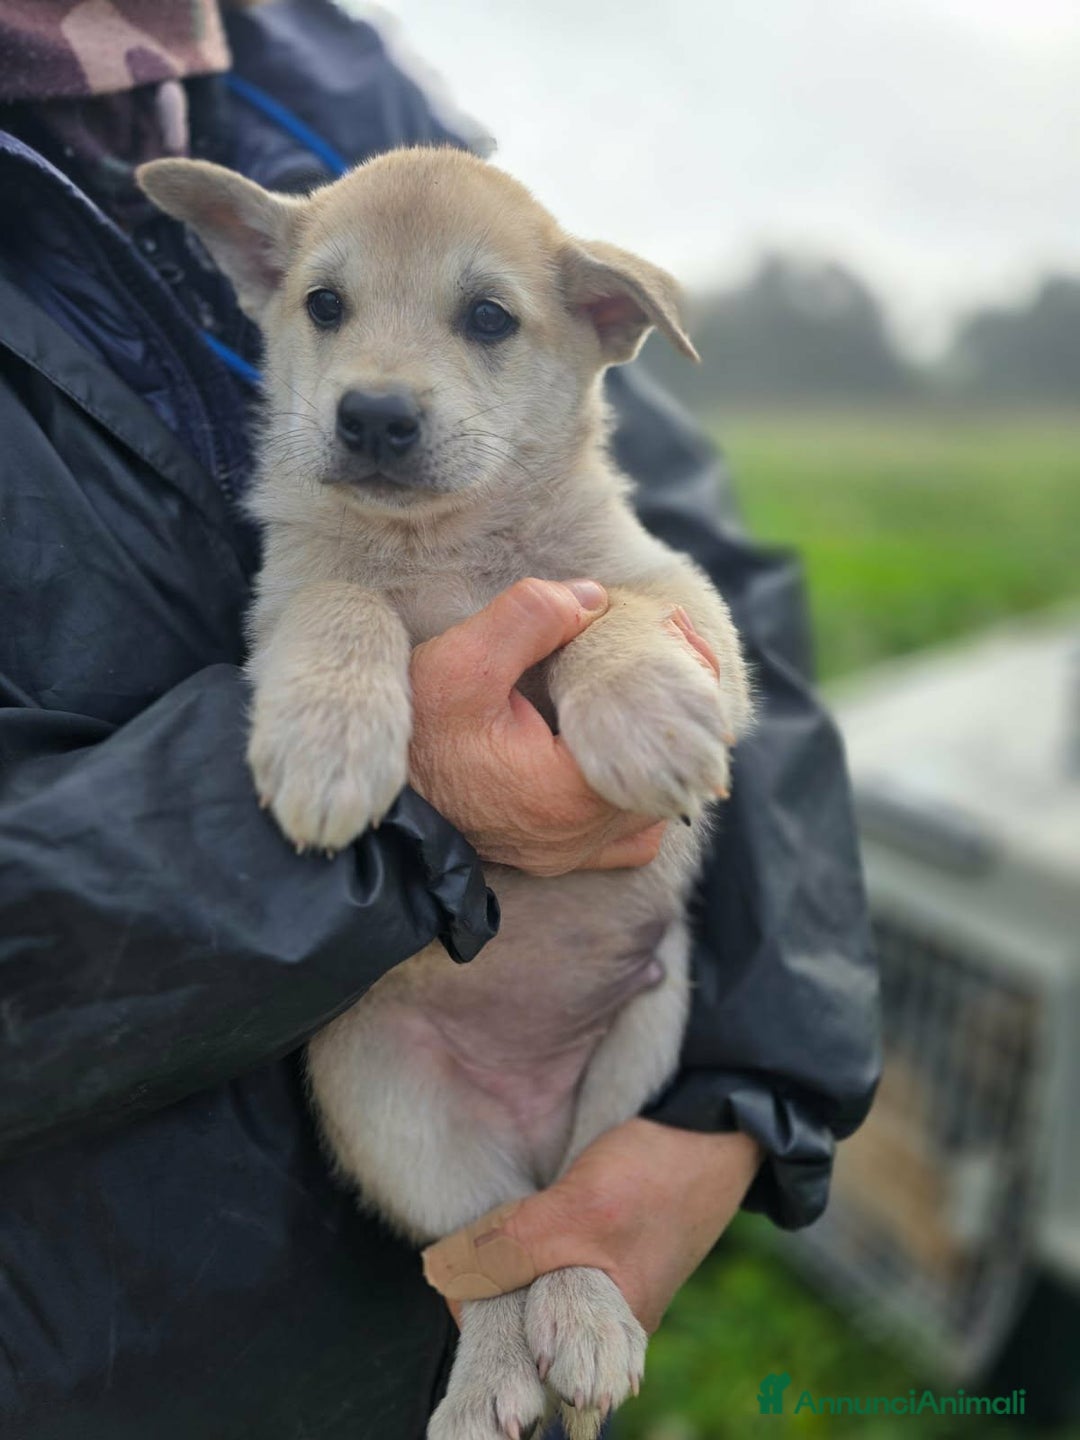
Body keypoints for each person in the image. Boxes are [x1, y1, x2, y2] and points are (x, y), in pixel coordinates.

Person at [0, 3, 880, 1437]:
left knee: (639, 992)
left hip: (623, 1022)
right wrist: (370, 691)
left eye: (481, 322)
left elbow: (712, 622)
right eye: (331, 308)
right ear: (261, 273)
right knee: (383, 1067)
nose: (382, 390)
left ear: (606, 326)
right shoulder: (319, 519)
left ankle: (545, 1283)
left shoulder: (324, 74)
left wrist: (745, 1103)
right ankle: (491, 1304)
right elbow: (310, 615)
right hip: (139, 1327)